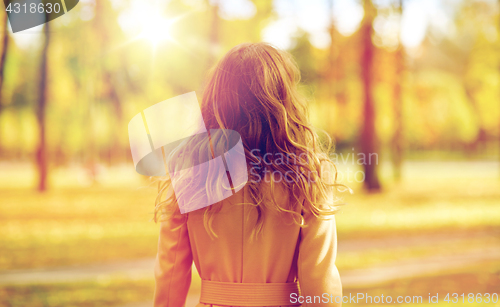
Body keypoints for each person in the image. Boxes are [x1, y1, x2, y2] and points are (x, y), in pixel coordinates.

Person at [152, 42, 346, 307]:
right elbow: (318, 278)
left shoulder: (191, 172)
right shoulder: (306, 172)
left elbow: (171, 272)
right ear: (282, 99)